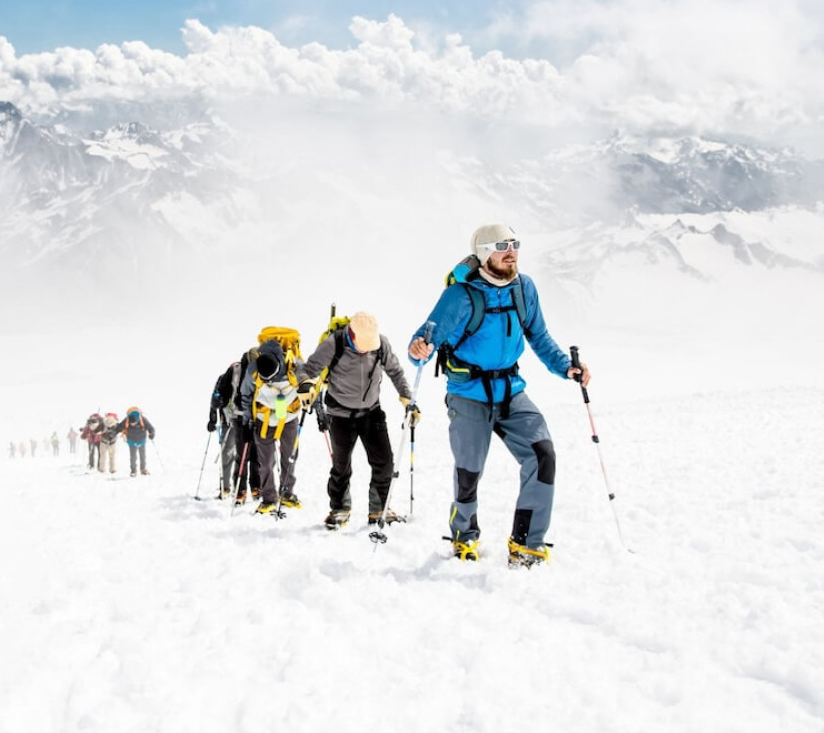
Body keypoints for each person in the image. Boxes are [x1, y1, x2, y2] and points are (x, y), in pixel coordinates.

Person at [407, 223, 590, 566]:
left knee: (542, 455)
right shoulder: (460, 296)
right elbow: (425, 339)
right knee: (469, 472)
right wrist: (418, 349)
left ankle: (527, 543)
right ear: (484, 253)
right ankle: (464, 536)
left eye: (515, 244)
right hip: (468, 394)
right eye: (502, 246)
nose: (512, 252)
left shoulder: (524, 288)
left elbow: (539, 336)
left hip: (511, 391)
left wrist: (566, 367)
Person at [297, 312, 414, 530]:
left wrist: (407, 398)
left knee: (385, 462)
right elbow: (307, 369)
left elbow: (395, 372)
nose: (367, 350)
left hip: (371, 411)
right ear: (352, 334)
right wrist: (305, 385)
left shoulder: (381, 344)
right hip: (339, 414)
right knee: (341, 466)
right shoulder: (334, 344)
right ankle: (340, 508)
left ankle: (379, 508)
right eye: (363, 346)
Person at [238, 333, 303, 514]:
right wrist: (246, 422)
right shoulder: (253, 370)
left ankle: (287, 493)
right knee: (265, 462)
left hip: (289, 418)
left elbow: (310, 384)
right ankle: (269, 499)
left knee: (289, 457)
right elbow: (246, 395)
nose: (266, 381)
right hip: (263, 419)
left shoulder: (295, 365)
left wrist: (318, 406)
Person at [207, 352, 261, 502]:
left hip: (250, 417)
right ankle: (226, 487)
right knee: (229, 453)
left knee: (250, 453)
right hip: (231, 418)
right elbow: (216, 396)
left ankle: (251, 487)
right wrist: (213, 417)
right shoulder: (231, 374)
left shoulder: (260, 372)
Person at [120, 406, 156, 475]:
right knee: (133, 457)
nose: (132, 424)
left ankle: (143, 469)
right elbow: (119, 427)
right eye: (131, 423)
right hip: (131, 441)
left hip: (142, 440)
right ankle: (133, 471)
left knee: (142, 455)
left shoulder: (143, 419)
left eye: (134, 423)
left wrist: (152, 434)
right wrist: (113, 432)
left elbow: (151, 428)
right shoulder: (126, 420)